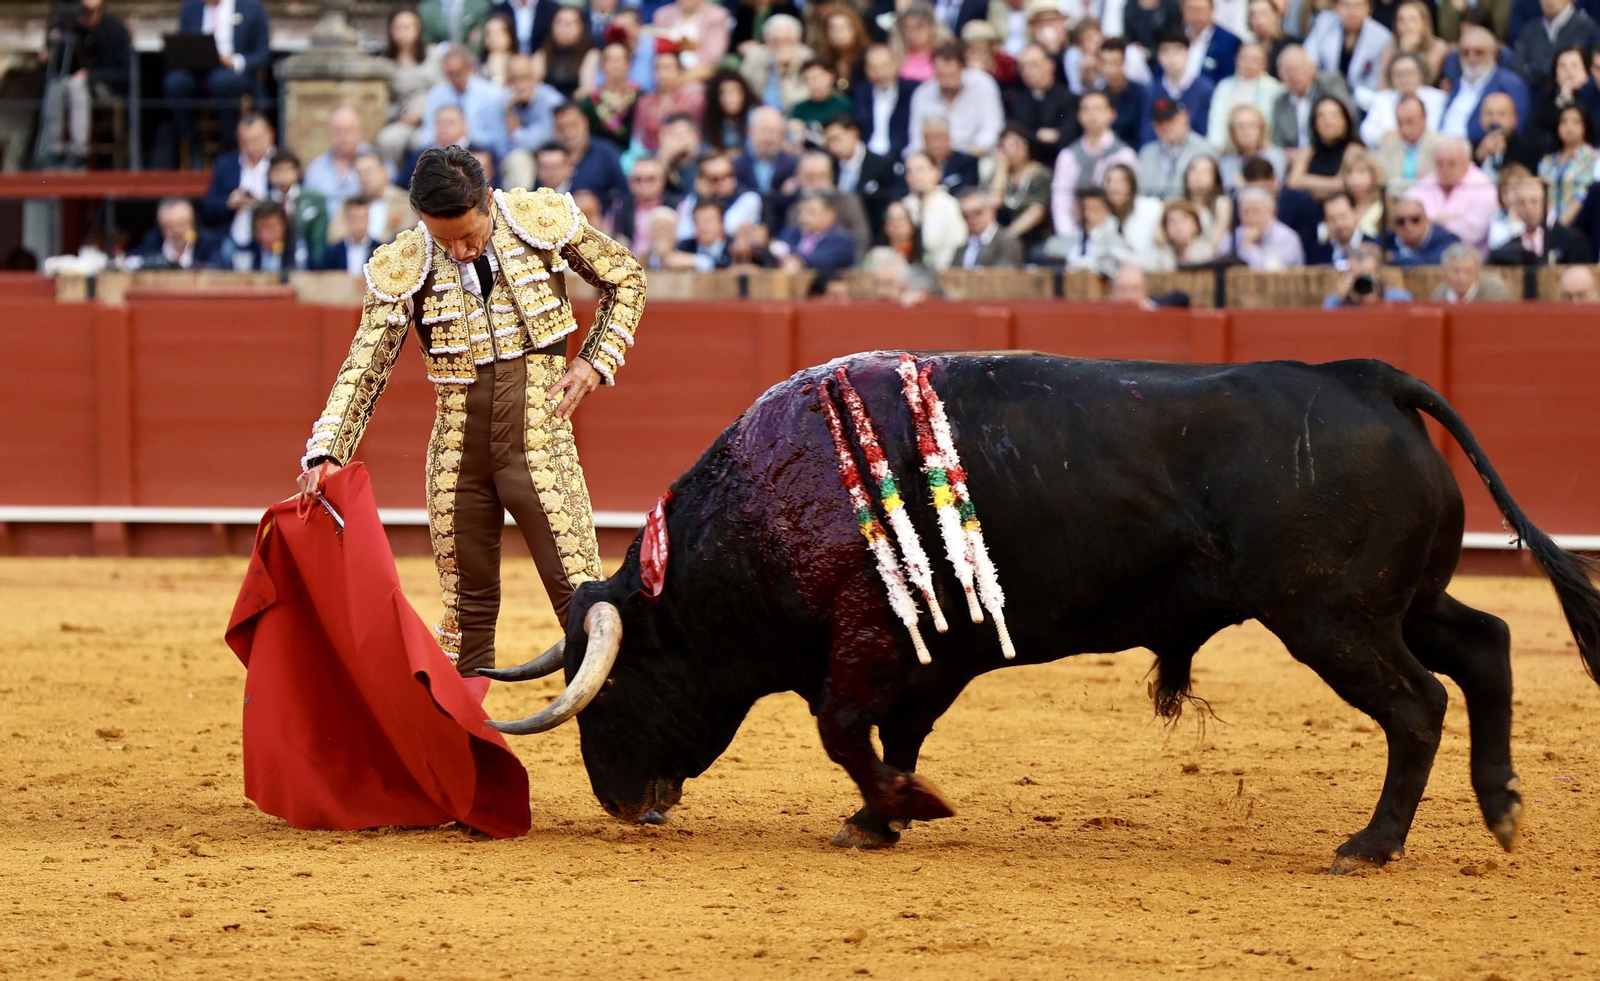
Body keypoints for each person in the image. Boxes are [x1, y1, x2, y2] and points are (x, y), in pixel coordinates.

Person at [297, 146, 646, 692]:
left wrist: (593, 361)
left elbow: (625, 278)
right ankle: (462, 759)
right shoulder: (407, 261)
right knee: (464, 622)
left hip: (540, 440)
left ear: (488, 200)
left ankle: (633, 750)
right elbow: (364, 363)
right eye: (444, 240)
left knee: (582, 600)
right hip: (456, 452)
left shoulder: (538, 220)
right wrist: (325, 451)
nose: (460, 251)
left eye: (468, 234)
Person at [162, 0, 271, 168]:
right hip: (197, 72)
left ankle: (229, 143)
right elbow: (183, 42)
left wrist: (234, 61)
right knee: (175, 83)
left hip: (232, 72)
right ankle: (192, 143)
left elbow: (263, 53)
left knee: (223, 81)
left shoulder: (251, 8)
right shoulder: (190, 8)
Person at [36, 0, 131, 169]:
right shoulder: (72, 28)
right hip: (73, 87)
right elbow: (61, 67)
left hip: (104, 88)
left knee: (76, 86)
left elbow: (125, 73)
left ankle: (79, 151)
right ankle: (53, 149)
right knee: (57, 84)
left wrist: (91, 75)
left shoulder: (114, 28)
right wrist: (48, 57)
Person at [1052, 90, 1138, 239]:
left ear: (1112, 114)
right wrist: (1068, 235)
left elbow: (1129, 199)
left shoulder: (1124, 154)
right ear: (1078, 116)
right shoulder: (1068, 156)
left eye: (1098, 109)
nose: (1092, 115)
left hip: (1116, 233)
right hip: (1076, 232)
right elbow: (1061, 199)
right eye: (1086, 109)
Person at [1440, 20, 1531, 146]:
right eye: (1465, 52)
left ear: (1493, 54)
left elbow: (1515, 131)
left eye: (1479, 52)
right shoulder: (1455, 83)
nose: (1471, 58)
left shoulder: (1510, 85)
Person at [905, 41, 1004, 157]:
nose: (946, 81)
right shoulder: (922, 94)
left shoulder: (984, 84)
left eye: (951, 74)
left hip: (976, 154)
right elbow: (917, 140)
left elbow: (992, 129)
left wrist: (967, 156)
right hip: (934, 158)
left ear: (962, 68)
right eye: (941, 75)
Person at [418, 45, 510, 163]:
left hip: (480, 153)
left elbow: (498, 138)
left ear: (470, 68)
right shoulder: (436, 94)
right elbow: (426, 132)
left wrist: (465, 137)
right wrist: (443, 136)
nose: (454, 78)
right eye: (450, 74)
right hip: (443, 153)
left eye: (458, 72)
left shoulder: (490, 94)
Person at [376, 9, 444, 168]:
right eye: (398, 28)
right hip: (404, 119)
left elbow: (443, 90)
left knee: (422, 142)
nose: (402, 33)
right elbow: (384, 101)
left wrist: (426, 114)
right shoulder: (384, 63)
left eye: (407, 27)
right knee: (387, 139)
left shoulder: (433, 55)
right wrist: (400, 116)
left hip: (434, 117)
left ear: (418, 29)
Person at [199, 112, 276, 253]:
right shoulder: (226, 165)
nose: (251, 146)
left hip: (270, 243)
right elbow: (207, 208)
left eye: (256, 140)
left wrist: (261, 205)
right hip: (231, 241)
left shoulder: (282, 164)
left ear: (270, 135)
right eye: (245, 141)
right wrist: (229, 202)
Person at [1407, 136, 1497, 250]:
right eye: (1439, 163)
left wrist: (1432, 223)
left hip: (1469, 258)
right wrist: (1451, 221)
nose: (1444, 169)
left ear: (1467, 161)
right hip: (1424, 255)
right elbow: (1408, 214)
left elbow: (1473, 233)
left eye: (1451, 163)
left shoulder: (1484, 186)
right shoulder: (1424, 183)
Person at [782, 150, 873, 254]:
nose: (816, 182)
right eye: (810, 177)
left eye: (821, 176)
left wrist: (852, 267)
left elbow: (862, 239)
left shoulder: (848, 201)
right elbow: (789, 243)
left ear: (831, 177)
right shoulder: (795, 208)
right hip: (803, 266)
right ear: (800, 178)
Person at [1302, 0, 1393, 104]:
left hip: (1362, 101)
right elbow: (1308, 56)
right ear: (1336, 8)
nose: (1351, 11)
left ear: (1368, 9)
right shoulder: (1323, 23)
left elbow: (1376, 79)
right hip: (1324, 94)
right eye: (1346, 6)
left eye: (1357, 6)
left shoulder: (1382, 37)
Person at [1489, 176, 1596, 263]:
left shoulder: (1574, 241)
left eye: (1534, 201)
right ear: (1515, 207)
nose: (1528, 208)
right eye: (1522, 203)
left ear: (1547, 202)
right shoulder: (1508, 248)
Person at [825, 113, 902, 231]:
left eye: (836, 139)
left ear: (853, 133)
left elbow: (885, 205)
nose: (833, 147)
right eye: (829, 141)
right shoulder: (829, 166)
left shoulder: (881, 164)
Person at [1006, 43, 1079, 165]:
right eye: (1023, 67)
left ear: (1051, 65)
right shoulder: (1016, 99)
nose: (1029, 72)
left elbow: (1065, 140)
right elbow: (1013, 132)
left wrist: (1028, 135)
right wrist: (1037, 135)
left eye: (1034, 65)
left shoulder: (1068, 98)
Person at [1271, 44, 1355, 150]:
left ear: (1312, 69)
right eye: (1288, 71)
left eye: (1298, 69)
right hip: (1292, 158)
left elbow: (1348, 118)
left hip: (1328, 151)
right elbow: (1277, 141)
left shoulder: (1330, 85)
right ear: (1280, 76)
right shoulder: (1280, 102)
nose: (1294, 75)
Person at [1207, 42, 1284, 151]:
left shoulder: (1275, 89)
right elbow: (1216, 120)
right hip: (1229, 149)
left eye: (1255, 60)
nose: (1249, 64)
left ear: (1264, 64)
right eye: (1245, 58)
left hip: (1263, 148)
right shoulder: (1224, 86)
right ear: (1236, 60)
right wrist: (1216, 146)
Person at [500, 53, 568, 179]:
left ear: (535, 77)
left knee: (519, 161)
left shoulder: (552, 101)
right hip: (510, 161)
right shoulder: (505, 101)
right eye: (513, 79)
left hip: (550, 155)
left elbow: (534, 142)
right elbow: (498, 145)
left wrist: (515, 130)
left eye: (524, 77)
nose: (519, 84)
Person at [988, 122, 1053, 250]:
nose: (1011, 151)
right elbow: (993, 204)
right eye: (1005, 146)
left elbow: (1037, 211)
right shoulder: (996, 175)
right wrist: (1001, 169)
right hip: (1001, 236)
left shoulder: (1041, 174)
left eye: (1016, 145)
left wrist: (1008, 236)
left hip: (1033, 236)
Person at [1136, 98, 1216, 201]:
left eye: (1170, 120)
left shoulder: (1204, 150)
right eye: (1160, 122)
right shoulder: (1147, 154)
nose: (1165, 126)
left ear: (1184, 117)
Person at [1041, 187, 1135, 275]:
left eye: (1093, 209)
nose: (1087, 215)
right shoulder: (1059, 243)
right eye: (1083, 209)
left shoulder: (1118, 244)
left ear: (1106, 211)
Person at [1359, 53, 1445, 148]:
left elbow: (1435, 130)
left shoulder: (1437, 98)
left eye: (1409, 73)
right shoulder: (1381, 99)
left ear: (1420, 75)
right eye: (1398, 75)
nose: (1404, 79)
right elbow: (1367, 131)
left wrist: (1398, 135)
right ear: (1391, 78)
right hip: (1389, 153)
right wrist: (1383, 136)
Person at [633, 41, 706, 151]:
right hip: (653, 156)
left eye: (667, 68)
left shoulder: (695, 100)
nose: (662, 74)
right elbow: (638, 139)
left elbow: (699, 134)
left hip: (687, 154)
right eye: (658, 68)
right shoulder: (644, 102)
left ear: (679, 70)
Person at [1144, 30, 1216, 143]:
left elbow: (1207, 130)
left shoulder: (1205, 90)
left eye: (1177, 51)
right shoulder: (1152, 91)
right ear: (1159, 57)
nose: (1171, 58)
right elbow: (1146, 132)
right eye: (1165, 52)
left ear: (1188, 54)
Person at [1513, 0, 1598, 91]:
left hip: (1578, 98)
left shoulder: (1588, 28)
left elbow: (1594, 71)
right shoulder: (1529, 29)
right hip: (1537, 97)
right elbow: (1518, 69)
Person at [306, 107, 380, 211]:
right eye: (338, 130)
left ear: (360, 132)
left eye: (349, 130)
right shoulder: (316, 169)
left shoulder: (376, 159)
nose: (343, 136)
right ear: (329, 133)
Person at [1288, 96, 1363, 199]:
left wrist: (1305, 180)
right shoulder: (1309, 150)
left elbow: (1342, 184)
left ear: (1345, 120)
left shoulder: (1353, 149)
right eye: (1321, 116)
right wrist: (1329, 185)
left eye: (1334, 115)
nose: (1328, 121)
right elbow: (1293, 182)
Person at [902, 150, 966, 269]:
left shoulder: (950, 205)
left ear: (936, 172)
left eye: (920, 170)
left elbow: (957, 244)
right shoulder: (904, 205)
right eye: (909, 171)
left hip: (942, 272)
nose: (914, 176)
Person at [852, 43, 917, 159]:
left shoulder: (912, 91)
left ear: (896, 64)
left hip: (901, 155)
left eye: (884, 66)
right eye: (873, 68)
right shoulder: (861, 92)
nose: (880, 72)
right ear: (866, 70)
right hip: (868, 155)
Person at [1538, 104, 1598, 225]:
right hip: (1549, 224)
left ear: (1585, 126)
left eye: (1575, 122)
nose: (1569, 127)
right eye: (1564, 122)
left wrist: (1561, 225)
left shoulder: (1594, 158)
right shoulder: (1547, 161)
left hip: (1583, 225)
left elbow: (1583, 192)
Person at [741, 13, 814, 111]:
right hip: (759, 114)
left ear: (797, 41)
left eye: (787, 40)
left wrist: (784, 72)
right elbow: (743, 91)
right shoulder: (754, 57)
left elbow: (800, 103)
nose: (781, 45)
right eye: (775, 40)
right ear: (766, 41)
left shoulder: (808, 59)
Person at [1220, 186, 1305, 268]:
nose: (1250, 218)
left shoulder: (1287, 239)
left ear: (1272, 212)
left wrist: (1249, 247)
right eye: (1245, 212)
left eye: (1256, 211)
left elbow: (1272, 274)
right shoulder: (1234, 237)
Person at [267, 152, 329, 262]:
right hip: (273, 259)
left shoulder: (313, 199)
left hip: (305, 259)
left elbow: (318, 239)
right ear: (269, 174)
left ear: (298, 172)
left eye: (287, 170)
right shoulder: (265, 203)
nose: (282, 175)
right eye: (278, 170)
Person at [776, 190, 859, 271]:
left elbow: (822, 261)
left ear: (831, 214)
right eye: (801, 212)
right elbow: (776, 248)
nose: (804, 218)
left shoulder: (842, 240)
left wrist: (795, 257)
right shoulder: (792, 233)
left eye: (811, 212)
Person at [1475, 92, 1549, 182]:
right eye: (1489, 114)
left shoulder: (1530, 150)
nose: (1495, 120)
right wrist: (1478, 158)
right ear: (1480, 118)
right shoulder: (1471, 149)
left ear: (1515, 119)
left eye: (1501, 114)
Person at [1373, 93, 1437, 195]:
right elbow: (1382, 183)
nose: (1404, 129)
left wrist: (1396, 185)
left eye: (1410, 121)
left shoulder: (1440, 146)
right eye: (1400, 123)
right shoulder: (1387, 145)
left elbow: (1432, 186)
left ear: (1424, 118)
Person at [652, 0, 734, 77]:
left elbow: (714, 59)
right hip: (665, 71)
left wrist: (680, 79)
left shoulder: (717, 15)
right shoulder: (662, 14)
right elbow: (658, 48)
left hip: (700, 73)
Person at [135, 197, 222, 269]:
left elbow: (218, 268)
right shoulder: (153, 241)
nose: (176, 231)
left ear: (192, 224)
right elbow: (134, 261)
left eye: (181, 224)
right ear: (161, 228)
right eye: (169, 226)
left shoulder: (208, 243)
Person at [534, 6, 599, 99]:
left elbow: (587, 89)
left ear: (581, 27)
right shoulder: (542, 54)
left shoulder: (591, 55)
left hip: (576, 107)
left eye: (569, 24)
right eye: (558, 23)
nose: (563, 28)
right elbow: (533, 86)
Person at [1219, 103, 1287, 188]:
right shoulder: (1227, 161)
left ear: (1261, 128)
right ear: (1232, 132)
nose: (1246, 132)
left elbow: (1275, 188)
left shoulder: (1275, 157)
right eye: (1240, 126)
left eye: (1251, 125)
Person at [1322, 242, 1412, 306]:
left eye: (1367, 276)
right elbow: (1325, 319)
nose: (1363, 282)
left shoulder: (1399, 299)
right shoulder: (1340, 302)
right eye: (1357, 276)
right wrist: (1339, 298)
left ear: (1380, 275)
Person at [1097, 38, 1149, 147]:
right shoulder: (1099, 96)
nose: (1109, 69)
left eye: (1115, 63)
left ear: (1124, 62)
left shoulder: (1141, 93)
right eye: (1104, 63)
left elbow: (1145, 132)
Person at [1106, 163, 1165, 259]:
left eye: (1120, 181)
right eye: (1109, 181)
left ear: (1131, 185)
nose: (1113, 186)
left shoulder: (1151, 207)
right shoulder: (1105, 218)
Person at [1385, 191, 1461, 265]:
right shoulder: (1387, 239)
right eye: (1400, 221)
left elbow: (1430, 263)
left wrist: (1394, 258)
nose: (1408, 226)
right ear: (1393, 225)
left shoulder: (1447, 240)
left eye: (1415, 219)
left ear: (1426, 219)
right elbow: (1373, 247)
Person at [1382, 1, 1448, 84]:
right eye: (1401, 20)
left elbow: (1424, 81)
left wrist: (1406, 52)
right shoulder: (1390, 48)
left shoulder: (1438, 47)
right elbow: (1382, 86)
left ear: (1424, 23)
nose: (1407, 25)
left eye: (1413, 19)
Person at [789, 58, 854, 145]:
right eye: (807, 79)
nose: (813, 83)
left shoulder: (845, 105)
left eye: (817, 77)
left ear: (831, 76)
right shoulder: (799, 109)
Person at [954, 189, 1024, 267]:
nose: (971, 219)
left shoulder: (1007, 242)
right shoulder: (961, 248)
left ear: (991, 210)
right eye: (965, 215)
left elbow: (1004, 274)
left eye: (978, 212)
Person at [230, 200, 305, 272]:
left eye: (271, 228)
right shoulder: (247, 254)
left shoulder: (298, 250)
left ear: (284, 226)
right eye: (259, 229)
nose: (265, 235)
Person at [1181, 0, 1242, 85]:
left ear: (1212, 10)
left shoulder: (1228, 41)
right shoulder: (1174, 36)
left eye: (1200, 10)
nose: (1196, 15)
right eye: (1191, 9)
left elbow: (1228, 78)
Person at [1432, 240, 1512, 301]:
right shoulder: (1440, 294)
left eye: (1468, 271)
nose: (1461, 277)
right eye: (1455, 271)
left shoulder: (1494, 291)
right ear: (1445, 272)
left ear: (1477, 271)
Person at [919, 115, 982, 192]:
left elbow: (969, 193)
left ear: (949, 137)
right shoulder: (915, 164)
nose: (934, 142)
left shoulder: (967, 162)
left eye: (939, 136)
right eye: (929, 137)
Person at [1148, 198, 1216, 268]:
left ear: (1196, 225)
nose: (1178, 226)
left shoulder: (1204, 251)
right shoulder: (1162, 254)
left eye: (1184, 219)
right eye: (1172, 221)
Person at [315, 197, 377, 273]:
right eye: (355, 219)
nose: (359, 224)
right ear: (346, 219)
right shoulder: (333, 252)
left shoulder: (379, 251)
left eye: (363, 218)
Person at [701, 67, 755, 151]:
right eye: (722, 93)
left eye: (733, 92)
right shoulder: (711, 124)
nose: (729, 98)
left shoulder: (756, 116)